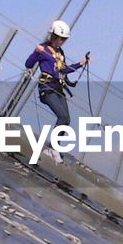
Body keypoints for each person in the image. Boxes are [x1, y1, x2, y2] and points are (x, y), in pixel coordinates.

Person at [24, 19, 89, 160]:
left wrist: (80, 63)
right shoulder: (43, 49)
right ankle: (52, 149)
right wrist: (36, 52)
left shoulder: (60, 53)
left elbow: (64, 69)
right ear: (54, 36)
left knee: (67, 119)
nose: (62, 41)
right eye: (61, 39)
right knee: (63, 117)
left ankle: (55, 148)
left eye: (64, 39)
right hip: (47, 88)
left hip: (58, 88)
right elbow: (28, 64)